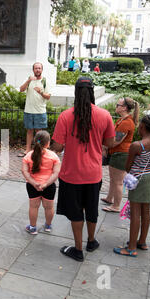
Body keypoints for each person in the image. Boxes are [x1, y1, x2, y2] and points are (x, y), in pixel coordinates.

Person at [52, 77, 115, 262]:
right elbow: (110, 142)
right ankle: (92, 241)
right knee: (91, 208)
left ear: (76, 93)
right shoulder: (104, 115)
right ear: (93, 92)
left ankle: (78, 250)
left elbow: (57, 146)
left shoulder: (65, 116)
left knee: (76, 212)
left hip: (71, 174)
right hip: (94, 173)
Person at [113, 115, 150, 257]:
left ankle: (131, 248)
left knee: (135, 213)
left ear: (143, 127)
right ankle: (142, 241)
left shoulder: (137, 145)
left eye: (140, 125)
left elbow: (128, 166)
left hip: (138, 179)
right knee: (146, 212)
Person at [102, 97, 139, 213]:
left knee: (118, 181)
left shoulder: (126, 123)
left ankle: (116, 206)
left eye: (118, 105)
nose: (116, 106)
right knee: (114, 179)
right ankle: (109, 198)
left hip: (120, 154)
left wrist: (104, 146)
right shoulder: (122, 120)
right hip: (118, 154)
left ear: (124, 108)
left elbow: (115, 141)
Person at [22, 130, 61, 235]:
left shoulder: (28, 155)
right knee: (49, 207)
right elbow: (56, 173)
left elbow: (25, 172)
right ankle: (48, 226)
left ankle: (33, 227)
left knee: (33, 206)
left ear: (35, 141)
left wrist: (34, 183)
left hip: (32, 185)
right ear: (48, 143)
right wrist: (46, 184)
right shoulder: (53, 156)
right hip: (49, 186)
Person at [18, 62, 51, 157]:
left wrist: (41, 92)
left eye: (39, 68)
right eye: (36, 68)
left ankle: (39, 150)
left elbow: (48, 96)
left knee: (39, 132)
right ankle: (28, 150)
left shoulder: (45, 81)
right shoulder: (29, 80)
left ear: (42, 70)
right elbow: (21, 89)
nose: (38, 70)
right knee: (29, 131)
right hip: (28, 110)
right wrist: (28, 81)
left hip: (40, 111)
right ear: (33, 70)